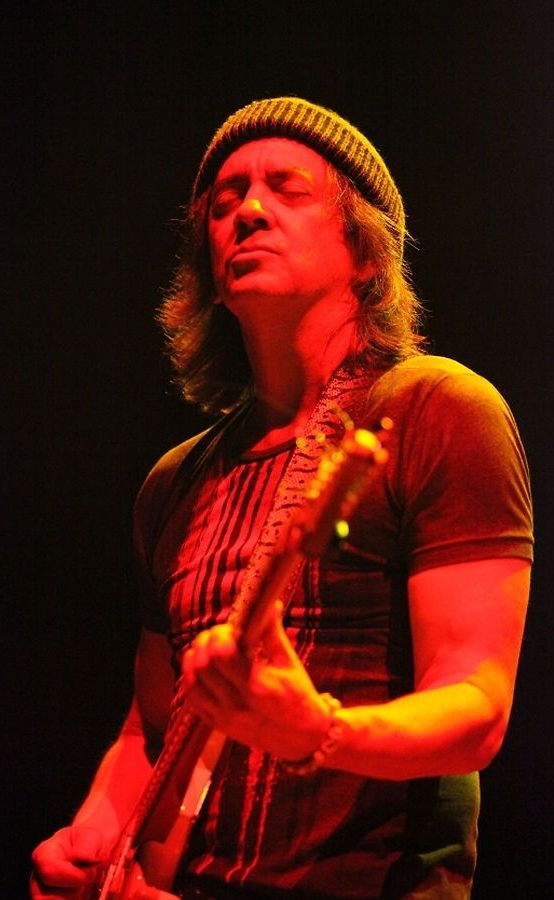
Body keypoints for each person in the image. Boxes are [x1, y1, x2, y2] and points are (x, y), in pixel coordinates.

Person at [31, 97, 533, 899]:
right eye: (224, 202)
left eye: (287, 188)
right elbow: (150, 726)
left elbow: (475, 708)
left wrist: (319, 731)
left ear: (365, 251)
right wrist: (93, 836)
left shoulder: (437, 411)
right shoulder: (175, 481)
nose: (249, 211)